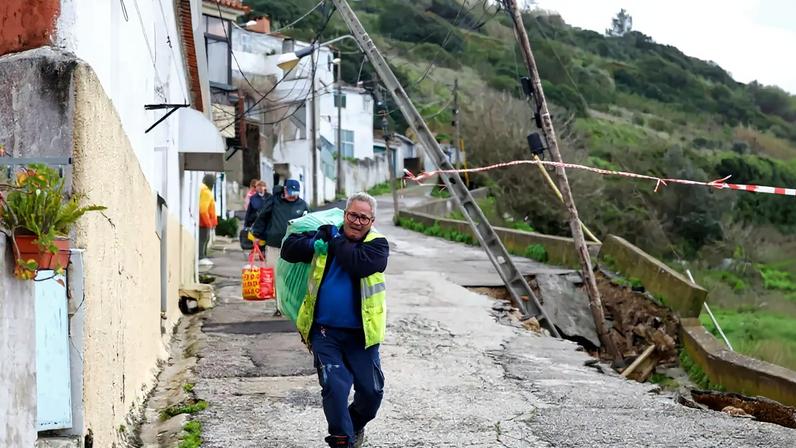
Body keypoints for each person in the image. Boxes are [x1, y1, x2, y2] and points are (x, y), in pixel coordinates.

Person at [281, 192, 389, 448]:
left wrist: (333, 239)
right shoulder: (327, 235)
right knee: (336, 388)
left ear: (372, 221)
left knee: (372, 394)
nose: (357, 221)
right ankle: (343, 441)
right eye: (353, 215)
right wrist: (314, 244)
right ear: (345, 215)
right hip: (326, 333)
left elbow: (357, 263)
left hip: (362, 336)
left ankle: (353, 425)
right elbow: (288, 249)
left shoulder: (377, 245)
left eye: (364, 217)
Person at [251, 178, 310, 313]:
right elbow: (262, 217)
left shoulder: (303, 205)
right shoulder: (274, 201)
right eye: (290, 192)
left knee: (293, 278)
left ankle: (293, 305)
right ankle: (280, 307)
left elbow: (309, 222)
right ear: (284, 190)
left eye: (295, 193)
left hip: (295, 247)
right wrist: (257, 235)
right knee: (277, 276)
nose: (293, 196)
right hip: (274, 246)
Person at [198, 173, 218, 265]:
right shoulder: (206, 192)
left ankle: (203, 256)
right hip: (204, 223)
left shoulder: (205, 191)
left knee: (205, 239)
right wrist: (209, 223)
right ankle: (201, 257)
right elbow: (203, 210)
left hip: (205, 222)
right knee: (203, 239)